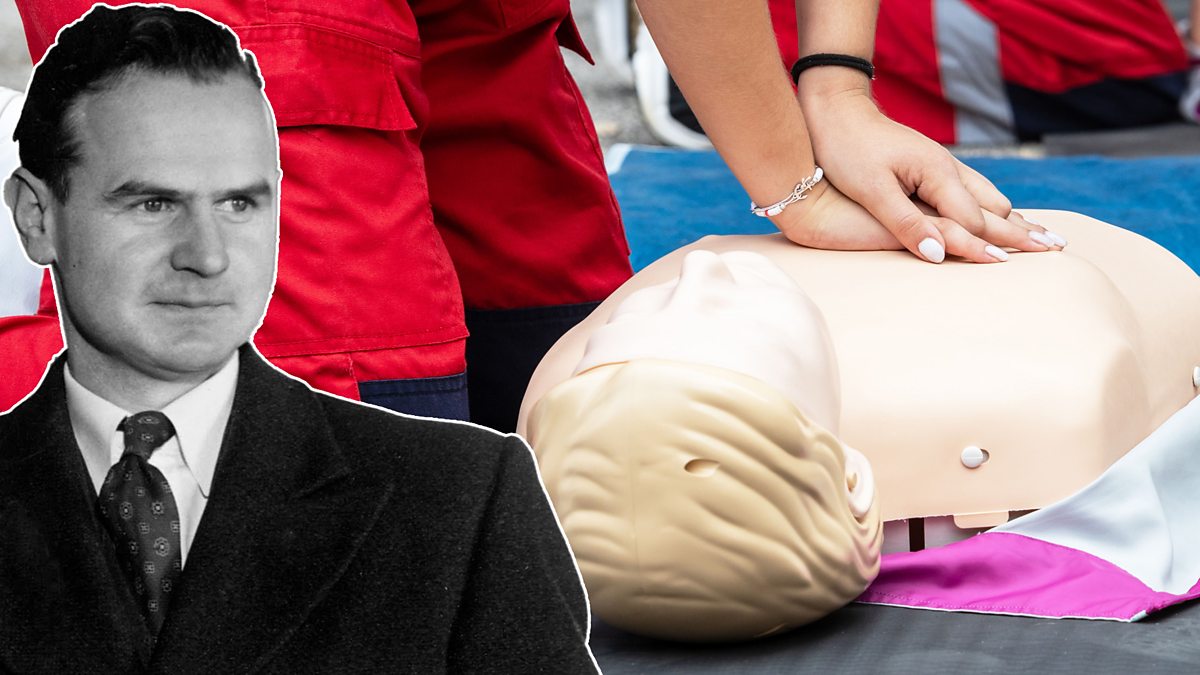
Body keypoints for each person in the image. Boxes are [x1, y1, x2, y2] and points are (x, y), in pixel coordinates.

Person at [0, 7, 595, 671]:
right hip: (359, 305)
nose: (206, 255)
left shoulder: (467, 491)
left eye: (239, 203)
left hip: (394, 318)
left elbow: (491, 65)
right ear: (34, 214)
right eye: (154, 204)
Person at [518, 211, 1200, 639]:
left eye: (641, 313)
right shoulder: (1050, 373)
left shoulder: (564, 388)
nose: (699, 267)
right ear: (853, 481)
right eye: (736, 315)